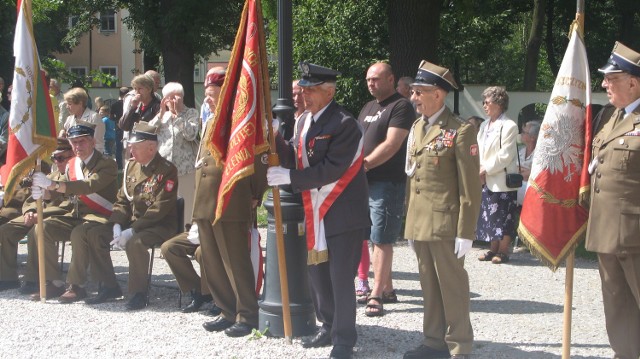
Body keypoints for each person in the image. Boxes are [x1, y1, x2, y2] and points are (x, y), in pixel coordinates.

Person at [267, 62, 370, 359]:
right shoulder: (303, 122)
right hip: (315, 210)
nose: (304, 95)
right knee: (318, 274)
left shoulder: (344, 123)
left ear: (329, 91)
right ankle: (327, 325)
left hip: (342, 212)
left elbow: (333, 168)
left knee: (340, 277)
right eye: (303, 89)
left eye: (311, 90)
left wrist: (290, 178)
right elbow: (296, 157)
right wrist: (277, 139)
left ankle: (344, 340)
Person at [402, 60, 480, 359]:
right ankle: (433, 342)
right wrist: (411, 222)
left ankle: (459, 346)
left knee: (452, 287)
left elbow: (469, 186)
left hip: (447, 224)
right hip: (421, 222)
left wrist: (466, 231)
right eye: (414, 92)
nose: (414, 97)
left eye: (420, 92)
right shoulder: (417, 127)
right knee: (429, 287)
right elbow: (413, 178)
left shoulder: (460, 131)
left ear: (438, 94)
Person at [79, 121, 178, 309]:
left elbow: (160, 208)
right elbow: (122, 199)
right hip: (132, 223)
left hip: (158, 225)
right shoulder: (131, 166)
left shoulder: (167, 169)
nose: (131, 151)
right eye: (130, 147)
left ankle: (138, 293)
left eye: (136, 147)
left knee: (135, 242)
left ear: (151, 147)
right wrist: (116, 224)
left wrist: (131, 231)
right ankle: (109, 286)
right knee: (96, 234)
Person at [585, 41, 640, 359]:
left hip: (635, 234)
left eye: (612, 78)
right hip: (607, 231)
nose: (604, 84)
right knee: (618, 305)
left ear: (633, 82)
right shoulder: (610, 117)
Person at [21, 122, 118, 300]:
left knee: (79, 232)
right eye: (74, 142)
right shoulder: (72, 165)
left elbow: (87, 186)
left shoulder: (107, 164)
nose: (77, 146)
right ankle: (54, 283)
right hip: (76, 214)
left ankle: (77, 285)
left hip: (100, 216)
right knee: (42, 228)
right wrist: (44, 192)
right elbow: (60, 194)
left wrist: (53, 185)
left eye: (82, 142)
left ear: (93, 141)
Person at [198, 119, 268, 335]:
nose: (208, 98)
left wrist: (255, 193)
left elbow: (258, 157)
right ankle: (227, 310)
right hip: (206, 198)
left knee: (234, 260)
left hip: (231, 198)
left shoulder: (244, 116)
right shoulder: (211, 120)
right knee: (213, 259)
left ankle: (247, 314)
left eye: (212, 94)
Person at [355, 62, 414, 317]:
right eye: (368, 79)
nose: (371, 83)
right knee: (370, 237)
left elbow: (392, 144)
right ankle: (388, 287)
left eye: (376, 79)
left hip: (387, 182)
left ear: (391, 79)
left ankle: (376, 294)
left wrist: (364, 165)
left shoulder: (400, 106)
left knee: (382, 238)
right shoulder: (368, 107)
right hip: (364, 182)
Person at [0, 139, 72, 291]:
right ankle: (7, 277)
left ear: (71, 156)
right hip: (37, 212)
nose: (57, 162)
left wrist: (40, 214)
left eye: (61, 158)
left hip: (59, 216)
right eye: (55, 158)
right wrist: (30, 211)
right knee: (6, 230)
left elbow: (68, 207)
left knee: (36, 231)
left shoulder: (75, 177)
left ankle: (33, 279)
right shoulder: (51, 175)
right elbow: (31, 198)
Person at [475, 86, 518, 264]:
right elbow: (478, 149)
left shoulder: (509, 126)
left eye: (487, 102)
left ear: (499, 103)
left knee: (504, 215)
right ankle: (492, 249)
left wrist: (485, 169)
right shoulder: (484, 125)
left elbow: (505, 155)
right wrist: (478, 168)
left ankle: (504, 251)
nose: (484, 105)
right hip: (485, 177)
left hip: (501, 178)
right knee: (489, 215)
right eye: (483, 102)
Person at [149, 81, 200, 226]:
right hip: (164, 168)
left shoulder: (191, 113)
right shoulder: (162, 116)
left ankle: (186, 232)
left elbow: (191, 134)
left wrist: (178, 115)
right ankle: (167, 231)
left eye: (176, 97)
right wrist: (161, 113)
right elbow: (149, 132)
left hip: (185, 168)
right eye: (169, 98)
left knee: (186, 202)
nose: (173, 101)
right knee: (164, 201)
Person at [160, 230, 214, 314]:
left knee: (202, 252)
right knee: (168, 247)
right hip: (200, 228)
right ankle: (200, 289)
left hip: (218, 230)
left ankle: (217, 296)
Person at [61, 87, 106, 153]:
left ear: (80, 103)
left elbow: (98, 144)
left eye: (70, 104)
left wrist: (92, 161)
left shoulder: (94, 117)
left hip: (90, 158)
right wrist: (62, 132)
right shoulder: (69, 119)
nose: (67, 107)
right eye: (67, 104)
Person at [516, 120, 541, 205]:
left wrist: (520, 171)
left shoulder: (540, 155)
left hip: (531, 193)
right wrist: (526, 171)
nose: (521, 134)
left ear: (532, 137)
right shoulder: (520, 151)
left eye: (523, 132)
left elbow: (535, 174)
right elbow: (513, 169)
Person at [200, 67, 225, 132]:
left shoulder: (236, 120)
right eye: (206, 95)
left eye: (211, 95)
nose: (206, 100)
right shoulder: (206, 109)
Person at [111, 87, 129, 169]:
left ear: (119, 94)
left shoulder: (115, 104)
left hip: (118, 127)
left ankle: (119, 166)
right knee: (129, 147)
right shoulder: (130, 104)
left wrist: (116, 120)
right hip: (128, 127)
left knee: (119, 148)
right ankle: (128, 166)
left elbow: (111, 117)